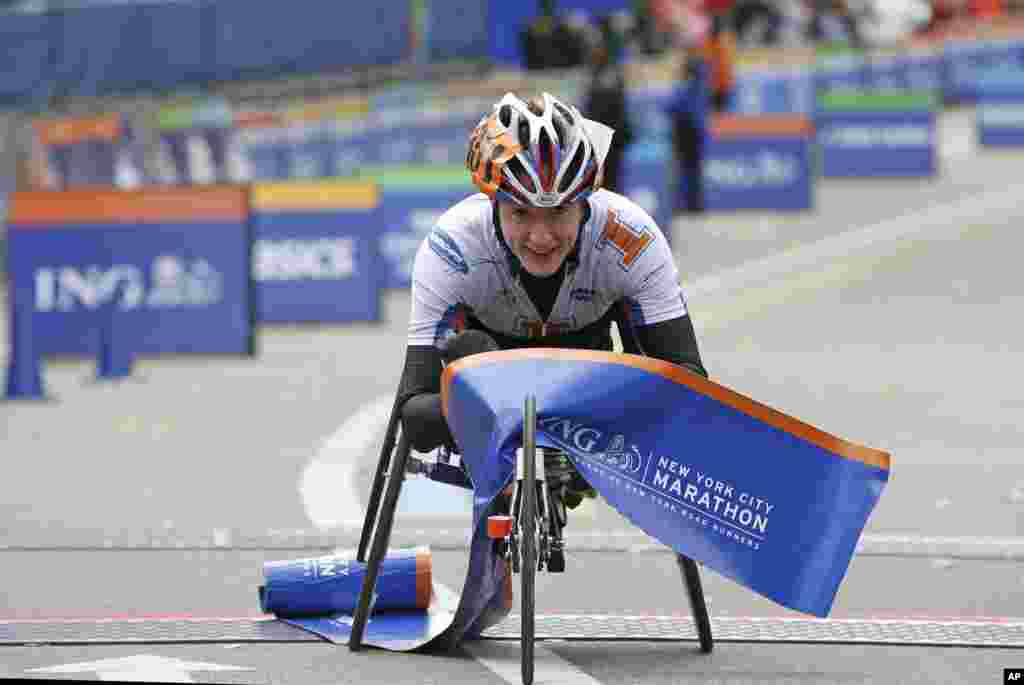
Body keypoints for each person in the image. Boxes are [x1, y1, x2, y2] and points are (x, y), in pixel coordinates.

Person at [397, 91, 709, 508]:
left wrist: (615, 410)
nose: (541, 238)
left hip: (589, 380)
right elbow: (414, 416)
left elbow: (690, 381)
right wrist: (472, 405)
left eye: (560, 212)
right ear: (493, 203)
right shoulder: (452, 247)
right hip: (488, 377)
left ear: (585, 203)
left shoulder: (632, 237)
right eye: (520, 214)